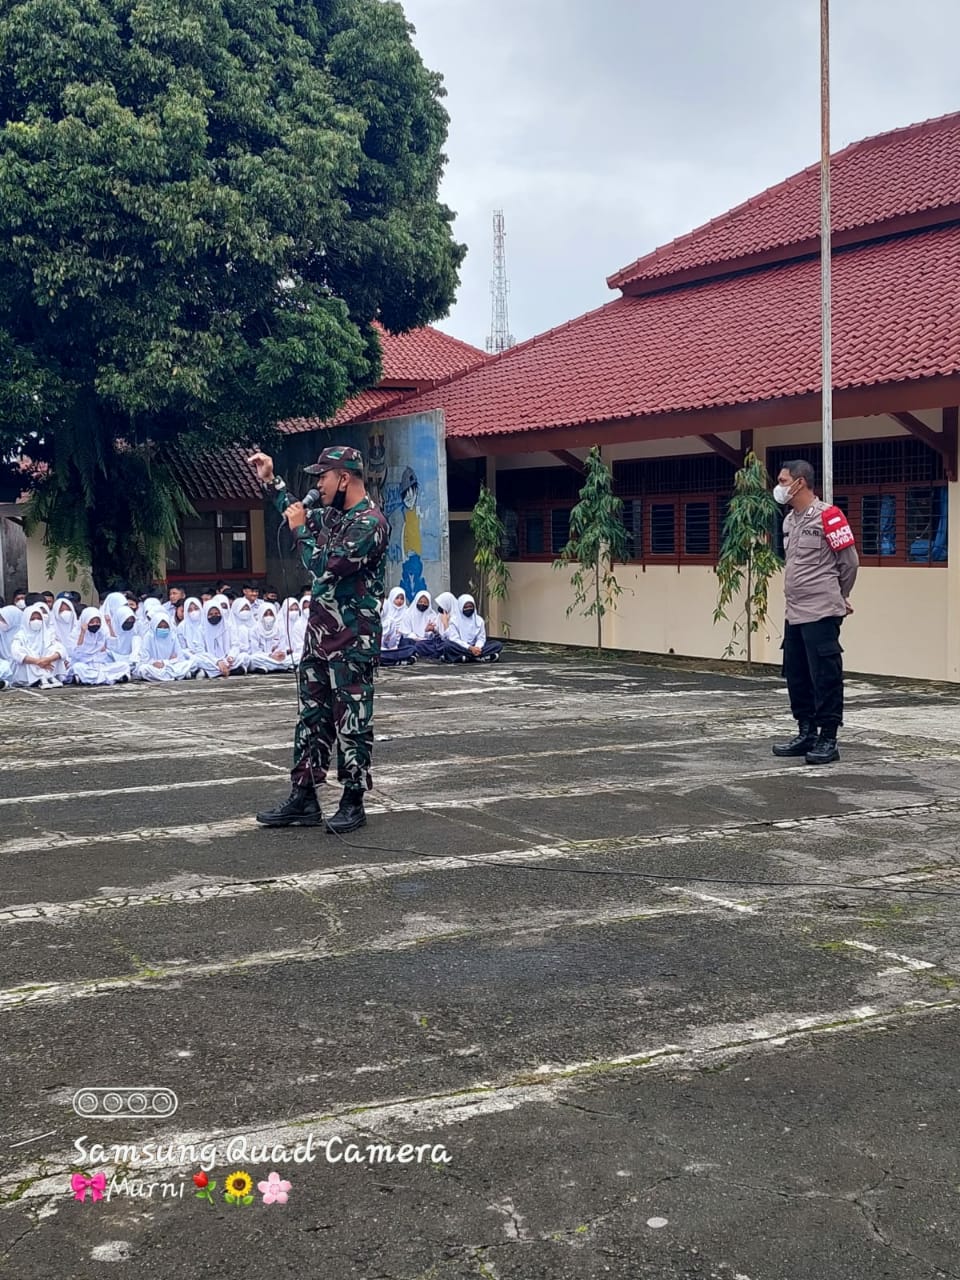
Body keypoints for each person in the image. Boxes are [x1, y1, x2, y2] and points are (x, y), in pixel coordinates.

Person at [249, 445, 389, 833]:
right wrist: (271, 481)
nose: (318, 486)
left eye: (322, 478)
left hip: (352, 639)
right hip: (319, 636)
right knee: (311, 717)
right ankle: (305, 796)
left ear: (344, 478)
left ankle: (353, 799)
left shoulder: (370, 523)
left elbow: (325, 566)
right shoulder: (330, 516)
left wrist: (299, 530)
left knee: (352, 720)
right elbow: (298, 515)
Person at [772, 460, 858, 765]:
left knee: (825, 675)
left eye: (783, 480)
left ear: (801, 483)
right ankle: (806, 731)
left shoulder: (830, 517)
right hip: (794, 611)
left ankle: (828, 738)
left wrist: (840, 595)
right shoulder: (789, 521)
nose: (779, 486)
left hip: (821, 610)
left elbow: (849, 563)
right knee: (796, 674)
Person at [10, 603, 68, 687]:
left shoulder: (47, 634)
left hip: (46, 663)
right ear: (27, 620)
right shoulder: (20, 635)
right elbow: (16, 652)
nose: (36, 621)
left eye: (39, 618)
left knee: (53, 648)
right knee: (27, 651)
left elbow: (62, 649)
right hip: (27, 672)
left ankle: (48, 677)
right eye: (32, 619)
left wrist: (47, 659)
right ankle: (43, 677)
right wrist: (37, 661)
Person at [71, 607, 132, 685]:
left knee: (124, 665)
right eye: (92, 622)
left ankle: (90, 678)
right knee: (77, 667)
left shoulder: (101, 632)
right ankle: (111, 677)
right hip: (86, 665)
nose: (95, 624)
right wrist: (82, 633)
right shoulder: (76, 633)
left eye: (97, 622)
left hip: (102, 665)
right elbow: (76, 654)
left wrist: (109, 625)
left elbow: (113, 645)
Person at [443, 593, 502, 663]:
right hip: (461, 647)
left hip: (476, 647)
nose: (468, 609)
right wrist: (470, 648)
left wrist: (477, 648)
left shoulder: (479, 620)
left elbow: (481, 638)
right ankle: (479, 657)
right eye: (466, 607)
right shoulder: (454, 620)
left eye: (471, 606)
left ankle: (466, 657)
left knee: (498, 645)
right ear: (460, 607)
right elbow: (454, 639)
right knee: (447, 645)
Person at [137, 615, 197, 682]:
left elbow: (180, 658)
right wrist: (154, 663)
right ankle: (176, 675)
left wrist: (165, 663)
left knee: (191, 663)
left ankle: (165, 676)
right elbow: (144, 659)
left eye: (165, 627)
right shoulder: (148, 637)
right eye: (160, 627)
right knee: (143, 669)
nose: (163, 629)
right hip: (155, 667)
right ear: (154, 626)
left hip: (171, 666)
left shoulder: (172, 636)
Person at [379, 587, 417, 666]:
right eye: (397, 598)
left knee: (410, 646)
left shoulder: (391, 621)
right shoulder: (373, 621)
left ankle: (390, 660)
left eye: (402, 598)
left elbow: (392, 645)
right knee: (375, 655)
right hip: (377, 651)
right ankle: (397, 661)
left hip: (390, 649)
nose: (399, 601)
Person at [402, 589, 444, 660]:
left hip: (426, 642)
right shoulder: (408, 613)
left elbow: (434, 633)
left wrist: (430, 630)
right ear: (416, 601)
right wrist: (416, 638)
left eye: (425, 602)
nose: (423, 604)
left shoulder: (432, 614)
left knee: (434, 644)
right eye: (420, 602)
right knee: (405, 642)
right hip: (413, 640)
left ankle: (417, 653)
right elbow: (406, 632)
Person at [0, 605, 19, 687]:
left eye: (3, 619)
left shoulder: (23, 633)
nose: (1, 621)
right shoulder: (2, 632)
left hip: (19, 666)